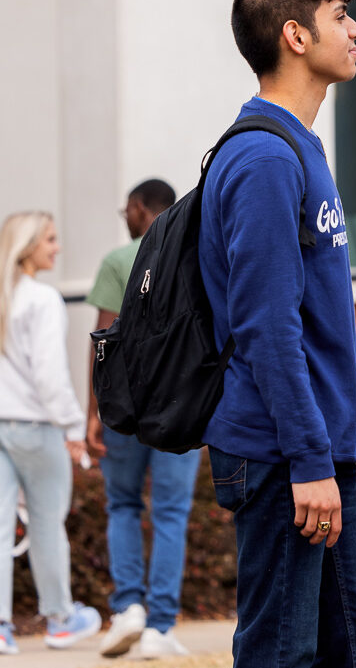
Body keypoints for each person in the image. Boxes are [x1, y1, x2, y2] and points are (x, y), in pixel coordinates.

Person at [199, 0, 356, 666]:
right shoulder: (265, 159)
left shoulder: (300, 148)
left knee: (355, 642)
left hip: (319, 449)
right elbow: (266, 325)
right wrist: (309, 459)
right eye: (341, 15)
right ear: (295, 36)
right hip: (286, 455)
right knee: (282, 651)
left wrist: (327, 455)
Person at [85, 179, 200, 659]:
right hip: (180, 405)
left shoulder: (117, 260)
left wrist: (93, 410)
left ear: (137, 209)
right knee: (171, 512)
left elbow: (104, 340)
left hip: (126, 406)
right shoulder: (192, 255)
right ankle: (159, 626)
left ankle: (128, 606)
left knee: (123, 506)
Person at [0, 212, 103, 654]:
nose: (57, 248)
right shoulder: (42, 300)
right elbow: (49, 374)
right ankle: (60, 619)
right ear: (26, 247)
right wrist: (73, 426)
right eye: (50, 240)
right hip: (36, 427)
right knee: (45, 523)